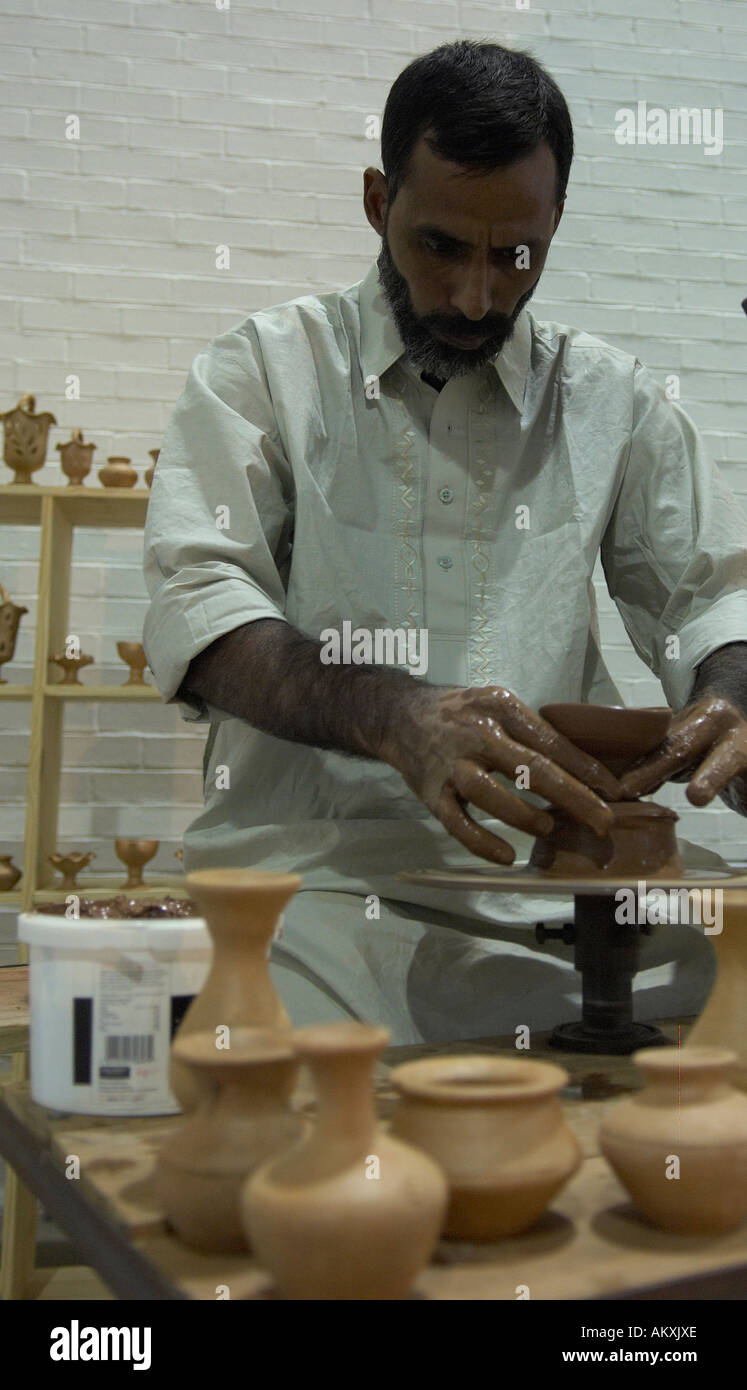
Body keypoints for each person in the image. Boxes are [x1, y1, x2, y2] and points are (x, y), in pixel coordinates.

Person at [143, 40, 747, 1045]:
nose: (476, 298)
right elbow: (201, 611)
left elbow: (712, 600)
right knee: (269, 1022)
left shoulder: (612, 401)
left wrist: (731, 694)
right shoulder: (264, 371)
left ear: (553, 223)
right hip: (322, 878)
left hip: (564, 885)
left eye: (516, 257)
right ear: (378, 202)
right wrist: (393, 717)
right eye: (439, 247)